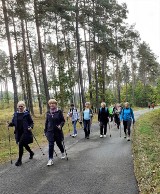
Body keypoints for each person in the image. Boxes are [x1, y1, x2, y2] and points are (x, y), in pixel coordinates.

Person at [8, 101, 34, 166]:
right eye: (19, 106)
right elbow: (13, 123)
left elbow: (31, 122)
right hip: (18, 132)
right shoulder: (15, 114)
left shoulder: (27, 114)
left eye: (21, 106)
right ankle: (31, 152)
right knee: (24, 144)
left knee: (20, 145)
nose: (20, 107)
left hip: (25, 132)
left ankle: (19, 160)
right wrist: (9, 124)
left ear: (24, 106)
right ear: (17, 107)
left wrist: (31, 127)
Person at [44, 99, 65, 166]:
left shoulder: (59, 112)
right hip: (50, 131)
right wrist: (45, 131)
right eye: (50, 103)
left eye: (53, 103)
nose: (52, 105)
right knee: (51, 144)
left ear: (56, 104)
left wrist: (60, 125)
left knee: (59, 143)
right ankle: (50, 159)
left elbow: (63, 121)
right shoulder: (48, 112)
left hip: (57, 131)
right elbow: (47, 122)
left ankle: (62, 152)